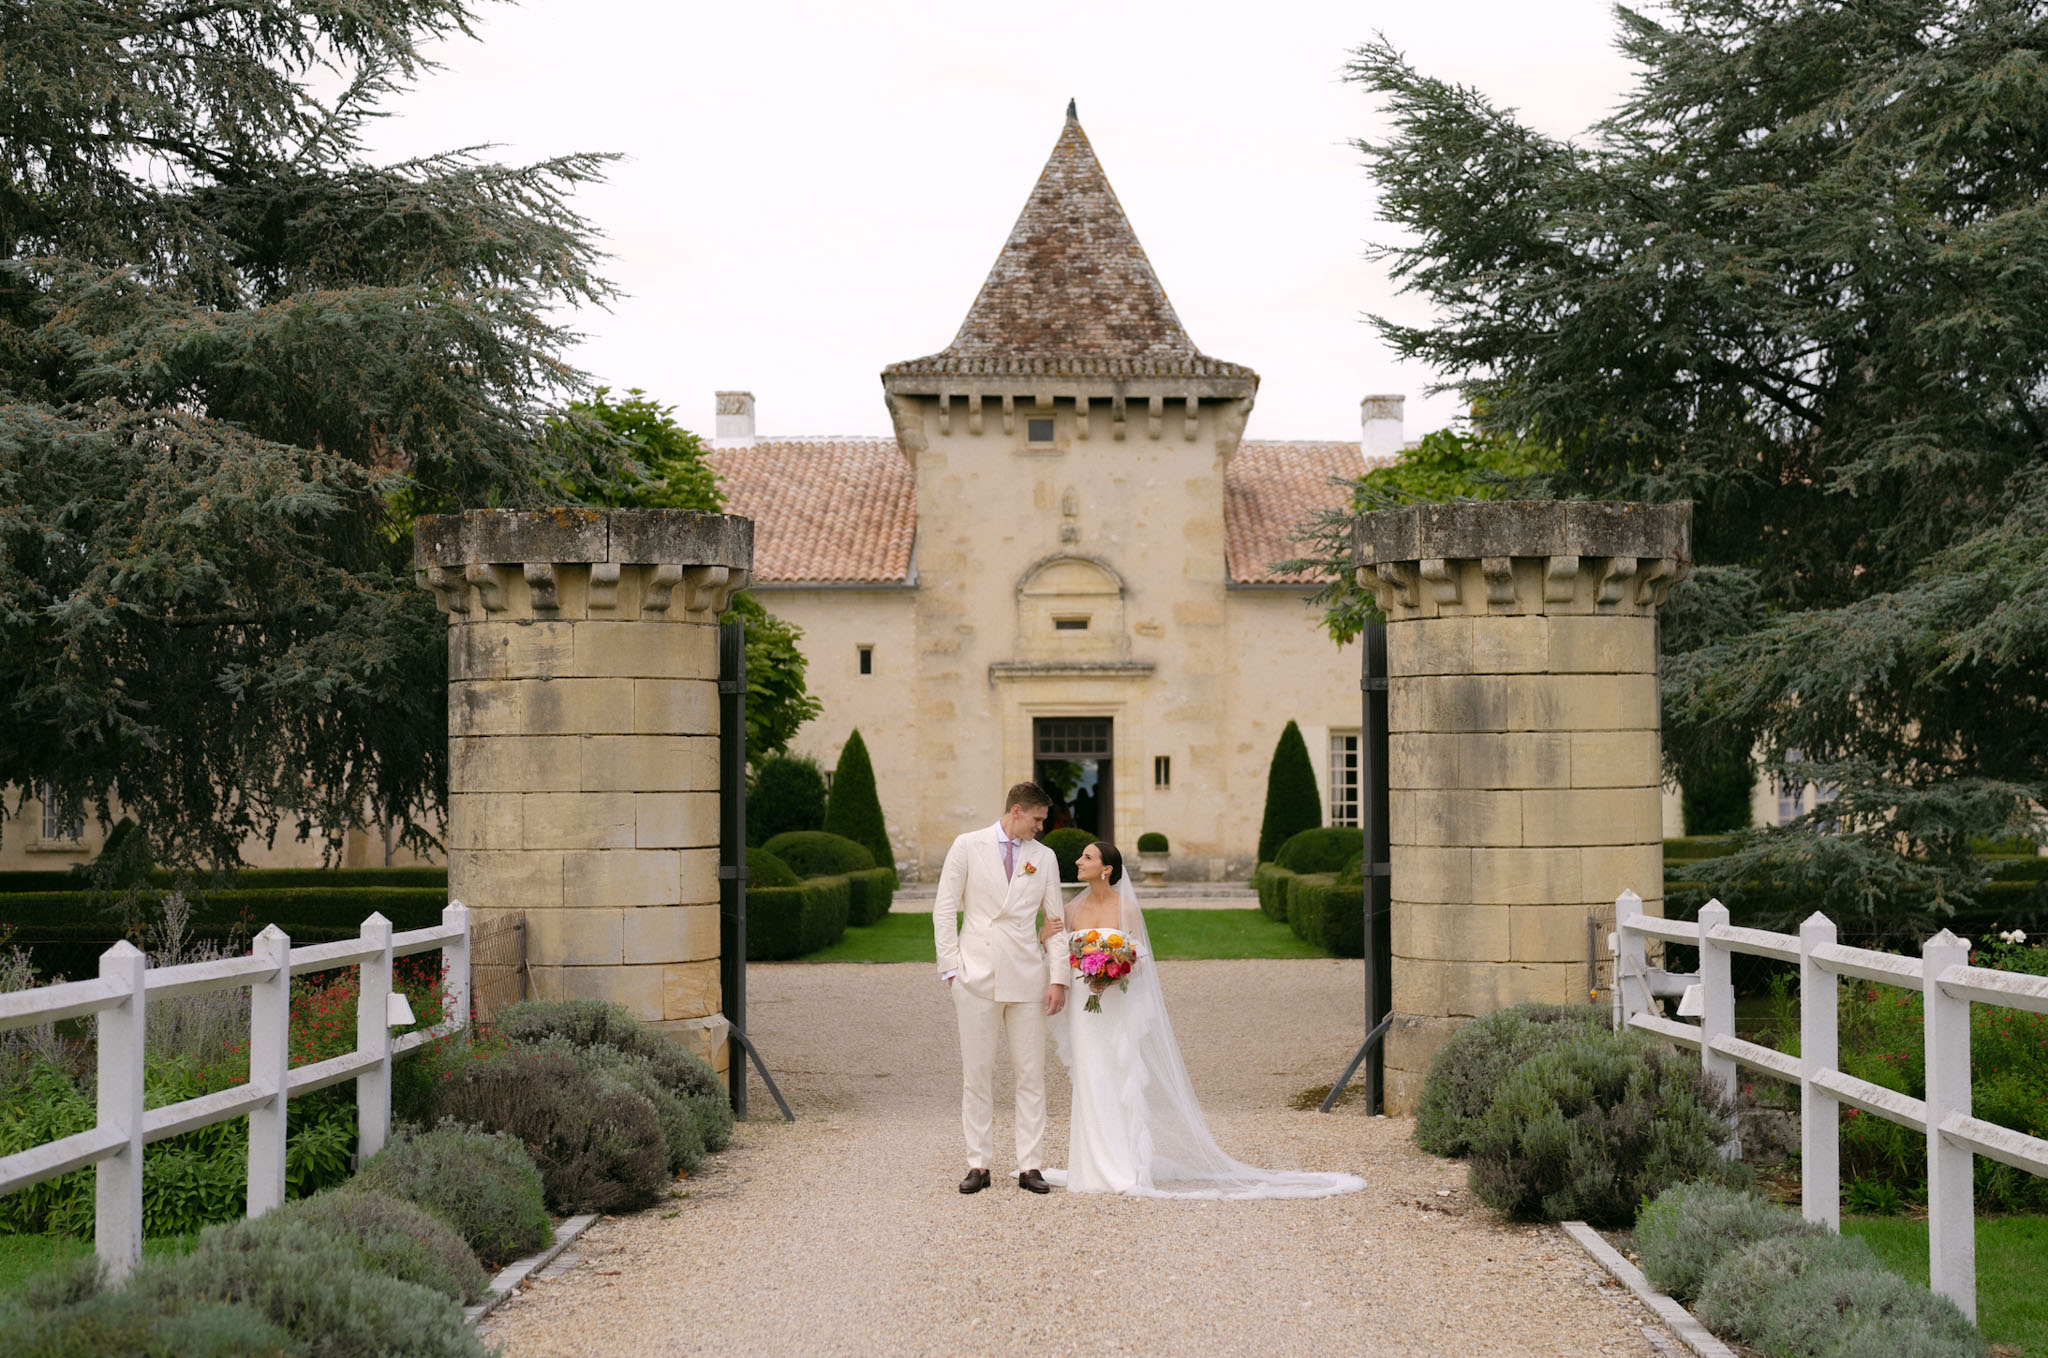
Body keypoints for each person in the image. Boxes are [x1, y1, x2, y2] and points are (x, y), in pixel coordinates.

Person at [1043, 840, 1366, 1199]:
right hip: (1085, 1011)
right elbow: (1057, 954)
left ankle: (1120, 1164)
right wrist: (1047, 939)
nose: (1078, 861)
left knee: (1119, 1078)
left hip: (1116, 1007)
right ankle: (1090, 1167)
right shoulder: (1071, 910)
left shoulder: (1127, 908)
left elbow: (1140, 960)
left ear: (1106, 869)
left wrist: (1114, 971)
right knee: (1091, 1078)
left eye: (1087, 857)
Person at [932, 781, 1069, 1194]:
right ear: (1016, 811)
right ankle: (978, 1164)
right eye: (1038, 819)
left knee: (1031, 1074)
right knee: (977, 1074)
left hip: (1027, 975)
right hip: (975, 974)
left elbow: (1056, 921)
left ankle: (1030, 1166)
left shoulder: (1043, 858)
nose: (1041, 828)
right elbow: (944, 907)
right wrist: (951, 968)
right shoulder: (967, 845)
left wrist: (1058, 978)